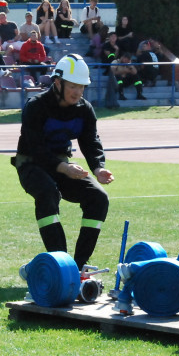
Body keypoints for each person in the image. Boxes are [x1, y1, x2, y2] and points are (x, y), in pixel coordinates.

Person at [13, 54, 114, 269]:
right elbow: (36, 148)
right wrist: (64, 168)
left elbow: (90, 140)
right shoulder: (36, 106)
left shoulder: (84, 109)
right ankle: (60, 264)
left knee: (98, 197)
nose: (78, 92)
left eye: (82, 87)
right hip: (31, 164)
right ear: (57, 82)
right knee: (48, 193)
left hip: (62, 166)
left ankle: (78, 266)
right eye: (73, 86)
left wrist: (98, 167)